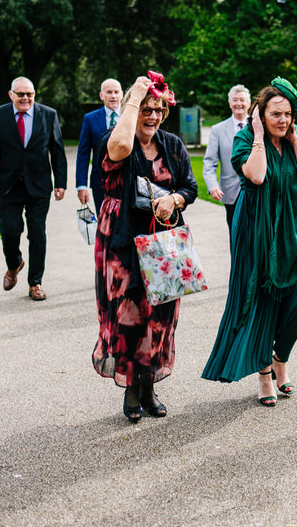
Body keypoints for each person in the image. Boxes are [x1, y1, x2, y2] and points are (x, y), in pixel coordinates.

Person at [202, 77, 297, 407]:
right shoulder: (246, 138)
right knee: (264, 303)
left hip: (293, 234)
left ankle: (280, 359)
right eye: (275, 115)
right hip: (257, 233)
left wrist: (296, 140)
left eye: (288, 114)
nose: (283, 120)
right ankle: (265, 374)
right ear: (261, 116)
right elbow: (255, 176)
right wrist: (256, 135)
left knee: (296, 304)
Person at [92, 71, 198, 421]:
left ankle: (150, 387)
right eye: (145, 110)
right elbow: (119, 149)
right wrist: (133, 98)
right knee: (130, 318)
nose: (152, 116)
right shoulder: (118, 138)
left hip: (162, 244)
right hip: (123, 244)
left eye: (158, 110)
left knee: (161, 318)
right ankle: (132, 393)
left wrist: (176, 201)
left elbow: (190, 187)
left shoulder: (172, 145)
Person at [0, 77, 66, 301]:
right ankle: (14, 263)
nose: (25, 98)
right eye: (21, 94)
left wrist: (60, 183)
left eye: (29, 94)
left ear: (34, 94)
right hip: (9, 186)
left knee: (37, 234)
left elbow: (57, 151)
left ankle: (35, 283)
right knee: (9, 231)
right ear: (11, 95)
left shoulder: (48, 115)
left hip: (39, 186)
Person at [202, 84, 251, 233]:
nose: (238, 104)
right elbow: (209, 162)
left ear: (248, 103)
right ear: (230, 103)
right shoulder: (218, 130)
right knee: (236, 235)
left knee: (257, 236)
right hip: (230, 193)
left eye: (242, 100)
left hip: (256, 191)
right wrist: (212, 186)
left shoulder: (259, 127)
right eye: (234, 100)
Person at [76, 78, 124, 211]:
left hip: (127, 181)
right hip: (100, 183)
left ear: (122, 94)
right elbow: (83, 154)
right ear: (101, 95)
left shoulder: (130, 116)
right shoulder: (90, 119)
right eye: (109, 92)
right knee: (104, 225)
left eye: (116, 92)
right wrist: (81, 186)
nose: (113, 96)